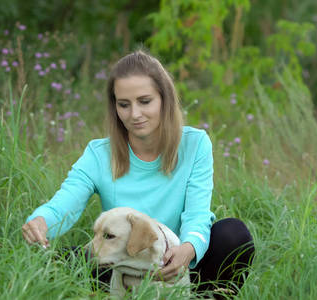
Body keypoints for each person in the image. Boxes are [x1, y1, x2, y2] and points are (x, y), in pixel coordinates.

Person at [22, 50, 254, 296]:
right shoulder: (98, 154)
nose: (134, 114)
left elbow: (197, 214)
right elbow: (64, 204)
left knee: (233, 235)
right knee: (51, 265)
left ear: (164, 99)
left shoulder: (195, 144)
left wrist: (188, 249)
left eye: (145, 101)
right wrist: (41, 221)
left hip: (179, 264)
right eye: (124, 104)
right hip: (120, 267)